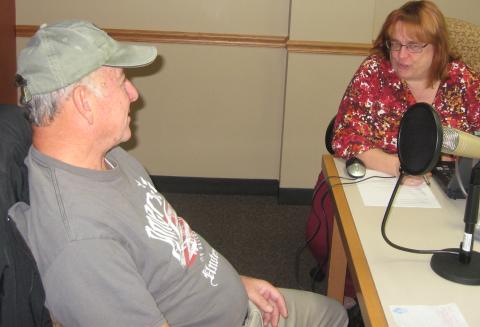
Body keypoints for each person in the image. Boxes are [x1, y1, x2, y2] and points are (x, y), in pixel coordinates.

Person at [9, 20, 348, 327]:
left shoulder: (107, 155)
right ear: (84, 102)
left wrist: (236, 284)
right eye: (122, 81)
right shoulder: (80, 242)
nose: (133, 93)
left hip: (233, 301)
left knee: (334, 314)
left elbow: (167, 245)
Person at [306, 0, 480, 304]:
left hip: (442, 187)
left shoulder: (463, 81)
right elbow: (343, 135)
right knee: (326, 237)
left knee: (427, 250)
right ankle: (351, 295)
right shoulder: (375, 71)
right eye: (395, 44)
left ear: (438, 47)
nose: (400, 55)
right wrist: (394, 164)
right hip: (374, 174)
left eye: (414, 46)